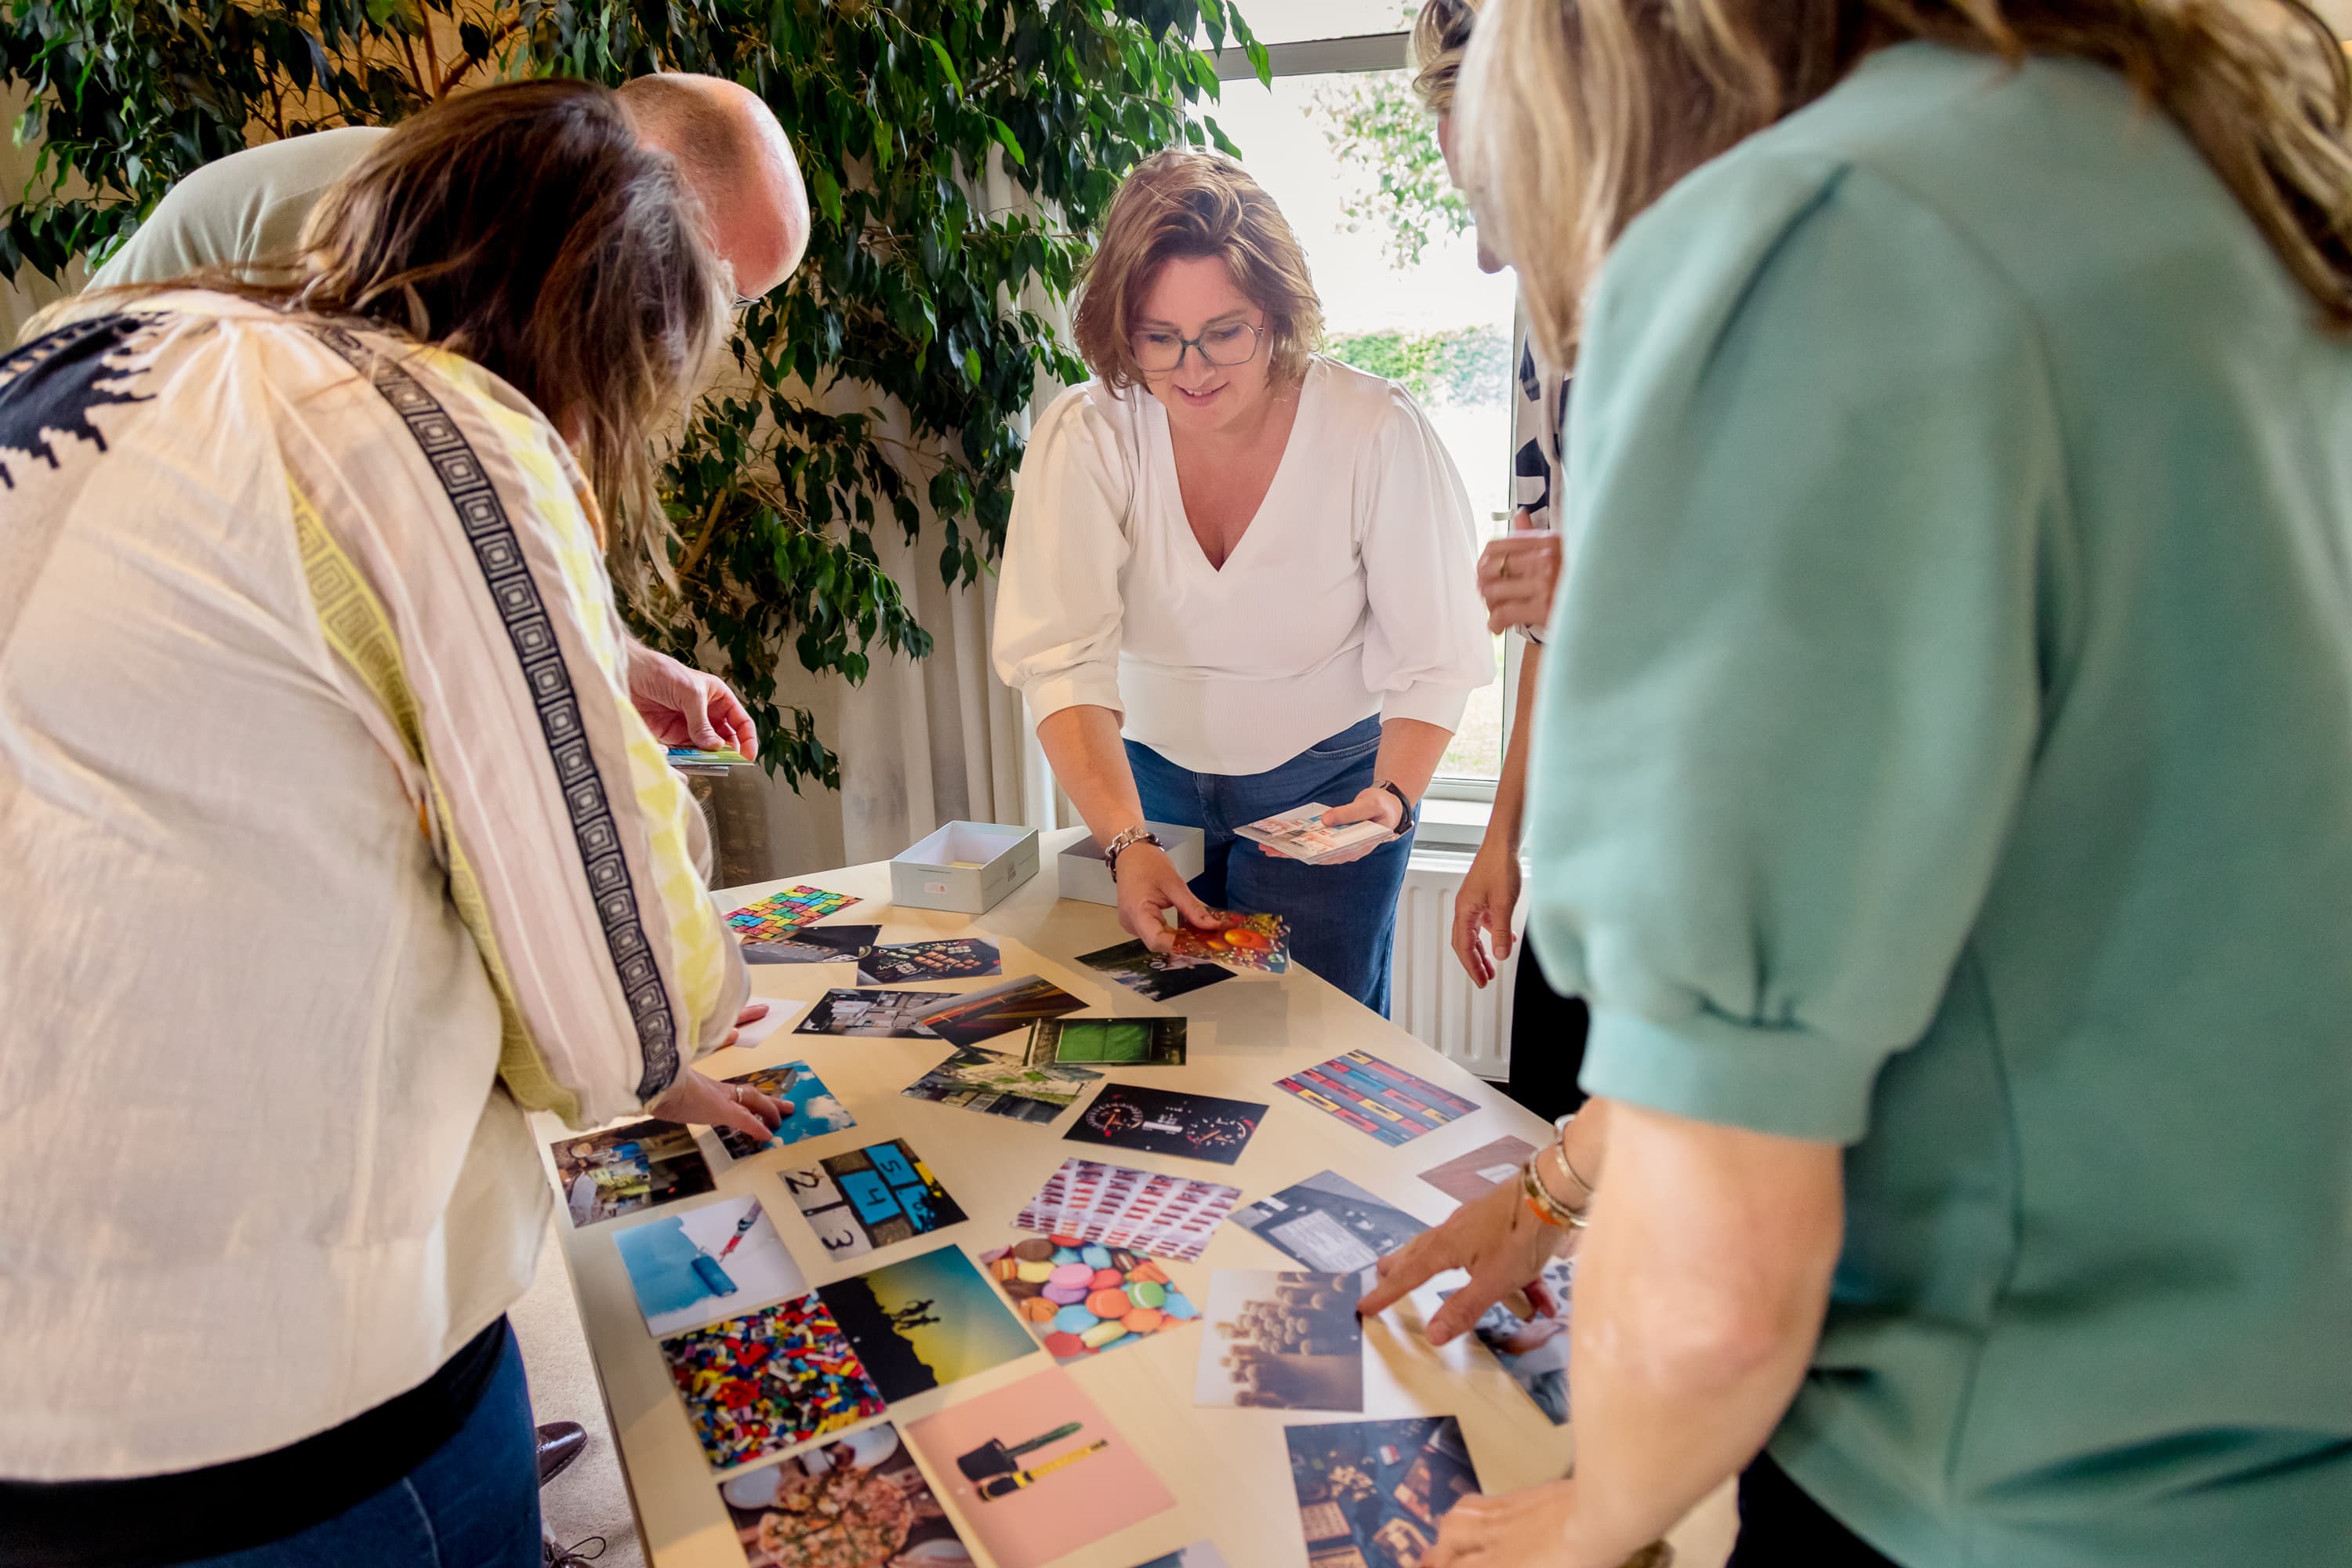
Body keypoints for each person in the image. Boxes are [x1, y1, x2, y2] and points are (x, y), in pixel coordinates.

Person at [1361, 2, 2352, 1566]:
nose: (1500, 255)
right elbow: (1986, 907)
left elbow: (1713, 1294)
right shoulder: (2184, 156)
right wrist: (1555, 1185)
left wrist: (1594, 1516)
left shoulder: (1807, 247)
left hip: (2012, 1491)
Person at [0, 79, 792, 1566]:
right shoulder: (449, 426)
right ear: (611, 325)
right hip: (269, 1426)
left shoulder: (94, 341)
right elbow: (622, 1015)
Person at [84, 71, 815, 760]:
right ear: (639, 182)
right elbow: (387, 567)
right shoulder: (397, 221)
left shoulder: (509, 274)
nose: (701, 326)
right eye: (716, 282)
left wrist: (614, 659)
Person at [992, 148, 1491, 1014]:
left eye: (1224, 331)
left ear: (1276, 313)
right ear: (1123, 328)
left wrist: (1396, 795)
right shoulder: (1088, 434)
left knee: (1312, 1041)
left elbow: (1435, 658)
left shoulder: (1373, 431)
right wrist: (1125, 841)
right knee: (1161, 1037)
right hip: (1144, 782)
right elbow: (1060, 659)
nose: (1192, 369)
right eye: (1159, 338)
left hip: (1334, 787)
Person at [1414, 0, 1590, 1121]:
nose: (1484, 250)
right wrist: (1504, 838)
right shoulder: (1544, 329)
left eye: (1491, 194)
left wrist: (1613, 588)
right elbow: (1545, 625)